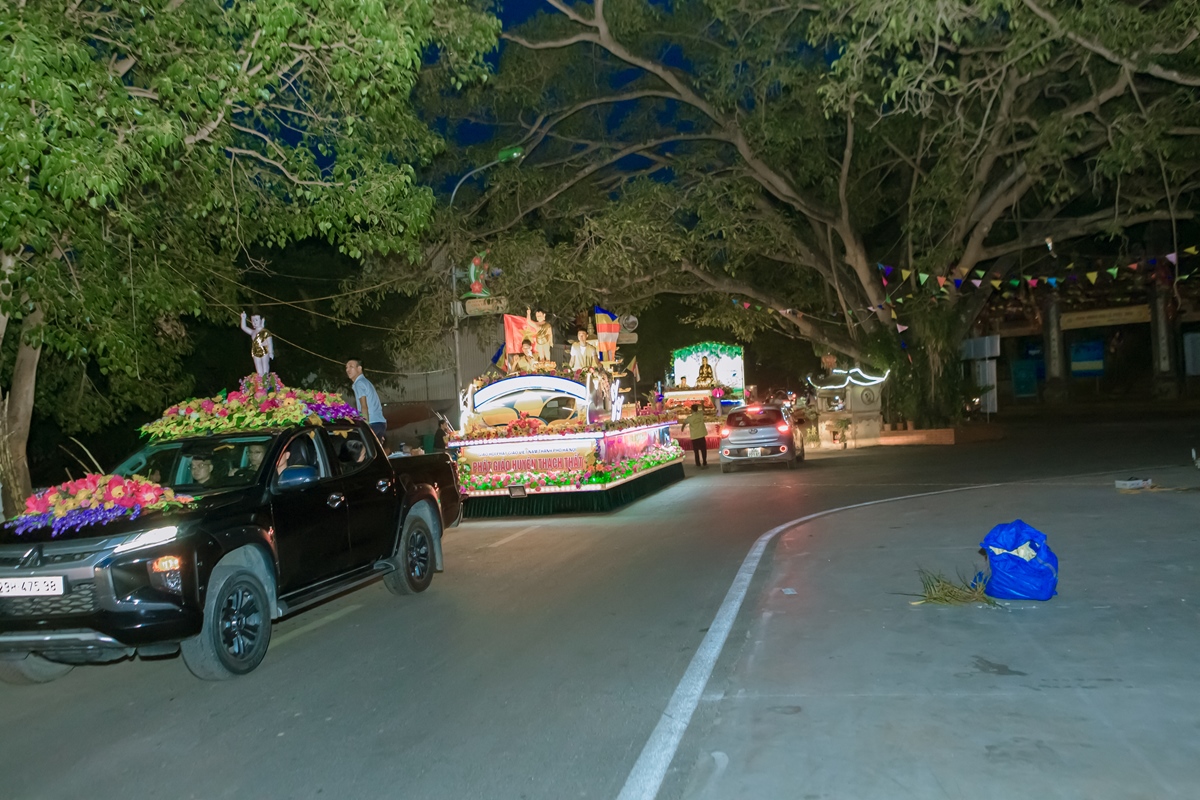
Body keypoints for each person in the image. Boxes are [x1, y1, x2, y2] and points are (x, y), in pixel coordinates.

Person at [345, 359, 386, 441]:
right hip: (380, 423)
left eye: (351, 367)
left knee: (363, 448)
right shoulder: (366, 382)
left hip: (372, 423)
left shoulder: (359, 383)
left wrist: (366, 427)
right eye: (346, 367)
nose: (347, 370)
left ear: (359, 368)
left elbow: (364, 406)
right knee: (374, 449)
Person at [240, 312, 274, 376]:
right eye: (253, 320)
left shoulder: (265, 332)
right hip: (255, 352)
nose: (254, 322)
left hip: (264, 350)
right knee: (258, 369)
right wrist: (243, 318)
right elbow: (244, 327)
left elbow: (270, 343)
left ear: (262, 320)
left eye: (256, 320)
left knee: (265, 366)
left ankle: (265, 379)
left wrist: (271, 352)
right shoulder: (253, 332)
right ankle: (260, 379)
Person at [682, 403, 709, 469]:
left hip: (694, 436)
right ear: (697, 409)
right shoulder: (700, 414)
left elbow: (684, 423)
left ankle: (698, 463)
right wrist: (702, 403)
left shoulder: (690, 418)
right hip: (701, 435)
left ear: (691, 410)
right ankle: (704, 462)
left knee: (696, 451)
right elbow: (703, 409)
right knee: (703, 450)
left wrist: (682, 429)